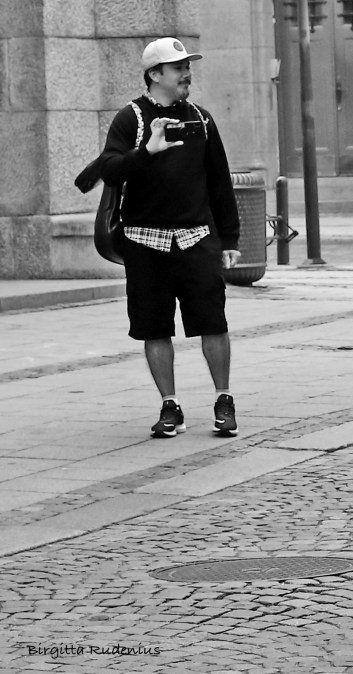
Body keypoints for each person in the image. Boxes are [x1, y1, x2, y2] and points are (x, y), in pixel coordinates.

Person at [98, 37, 241, 439]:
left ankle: (223, 399)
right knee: (153, 327)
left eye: (186, 66)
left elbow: (219, 184)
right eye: (177, 67)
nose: (186, 73)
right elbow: (110, 169)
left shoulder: (202, 119)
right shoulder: (130, 120)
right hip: (145, 242)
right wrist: (146, 151)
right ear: (154, 74)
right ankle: (169, 405)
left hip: (196, 238)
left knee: (213, 322)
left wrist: (229, 239)